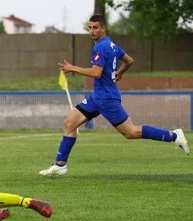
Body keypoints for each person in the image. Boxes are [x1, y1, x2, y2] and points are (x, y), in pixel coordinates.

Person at [39, 14, 189, 177]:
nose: (92, 31)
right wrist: (119, 72)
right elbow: (130, 61)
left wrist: (73, 68)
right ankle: (60, 165)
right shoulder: (112, 45)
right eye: (89, 27)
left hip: (106, 98)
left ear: (103, 28)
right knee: (69, 123)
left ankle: (174, 136)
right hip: (98, 96)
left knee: (131, 132)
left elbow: (96, 73)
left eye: (95, 27)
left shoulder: (101, 47)